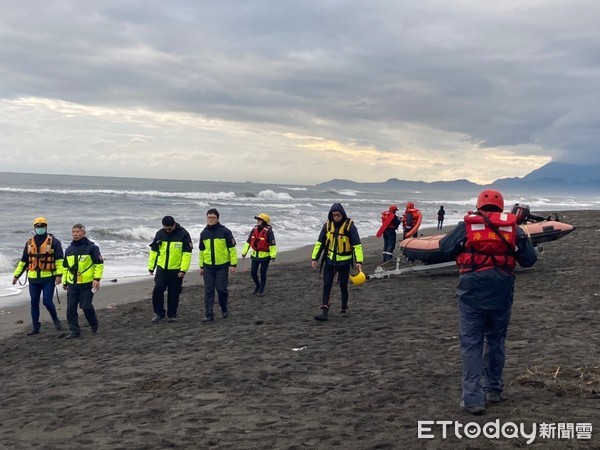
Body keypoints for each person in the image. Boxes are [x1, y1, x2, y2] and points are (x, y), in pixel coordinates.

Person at [439, 189, 537, 415]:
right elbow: (529, 260)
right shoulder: (514, 228)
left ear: (479, 205)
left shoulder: (468, 226)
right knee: (495, 341)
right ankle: (493, 389)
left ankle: (473, 399)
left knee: (471, 343)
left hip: (471, 292)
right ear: (501, 207)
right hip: (501, 291)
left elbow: (445, 247)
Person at [311, 203, 363, 321]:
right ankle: (324, 311)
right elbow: (320, 243)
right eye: (333, 215)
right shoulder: (327, 226)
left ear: (342, 215)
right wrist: (315, 258)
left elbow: (357, 245)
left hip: (344, 263)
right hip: (329, 261)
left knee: (343, 286)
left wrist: (359, 261)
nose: (336, 217)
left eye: (338, 215)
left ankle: (343, 307)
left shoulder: (350, 227)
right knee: (327, 285)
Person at [12, 217, 64, 335]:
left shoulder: (54, 242)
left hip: (48, 278)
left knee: (47, 301)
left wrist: (59, 275)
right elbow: (24, 261)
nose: (39, 228)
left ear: (46, 227)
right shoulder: (29, 243)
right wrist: (16, 276)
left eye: (42, 226)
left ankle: (55, 319)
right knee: (34, 302)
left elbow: (59, 261)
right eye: (37, 227)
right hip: (34, 278)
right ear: (34, 228)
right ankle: (35, 327)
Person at [62, 224, 104, 339]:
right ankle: (74, 330)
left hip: (87, 283)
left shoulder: (92, 248)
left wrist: (97, 279)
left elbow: (99, 264)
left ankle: (93, 323)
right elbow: (65, 267)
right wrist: (64, 282)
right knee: (71, 308)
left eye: (77, 232)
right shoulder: (69, 249)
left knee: (85, 306)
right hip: (73, 283)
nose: (75, 234)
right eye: (73, 232)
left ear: (83, 233)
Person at [148, 216, 193, 323]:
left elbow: (187, 254)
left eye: (169, 228)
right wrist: (151, 266)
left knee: (174, 293)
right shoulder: (159, 234)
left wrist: (183, 270)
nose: (167, 230)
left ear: (174, 225)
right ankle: (159, 313)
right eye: (165, 228)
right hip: (162, 269)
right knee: (157, 291)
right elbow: (154, 251)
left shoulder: (183, 234)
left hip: (176, 270)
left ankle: (172, 314)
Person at [198, 208, 238, 322]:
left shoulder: (225, 231)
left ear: (218, 219)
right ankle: (209, 314)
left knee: (221, 290)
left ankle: (224, 308)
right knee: (208, 291)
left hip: (222, 266)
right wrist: (201, 266)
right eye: (209, 217)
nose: (210, 220)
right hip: (208, 267)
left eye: (213, 218)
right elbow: (201, 251)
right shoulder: (203, 233)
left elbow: (232, 249)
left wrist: (233, 264)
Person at [241, 213, 277, 296]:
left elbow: (272, 244)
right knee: (253, 272)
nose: (258, 221)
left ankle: (261, 290)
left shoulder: (269, 231)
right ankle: (257, 285)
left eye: (260, 220)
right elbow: (249, 241)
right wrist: (244, 252)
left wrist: (273, 256)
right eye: (257, 220)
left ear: (264, 222)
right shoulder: (254, 230)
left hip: (265, 256)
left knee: (263, 273)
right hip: (255, 255)